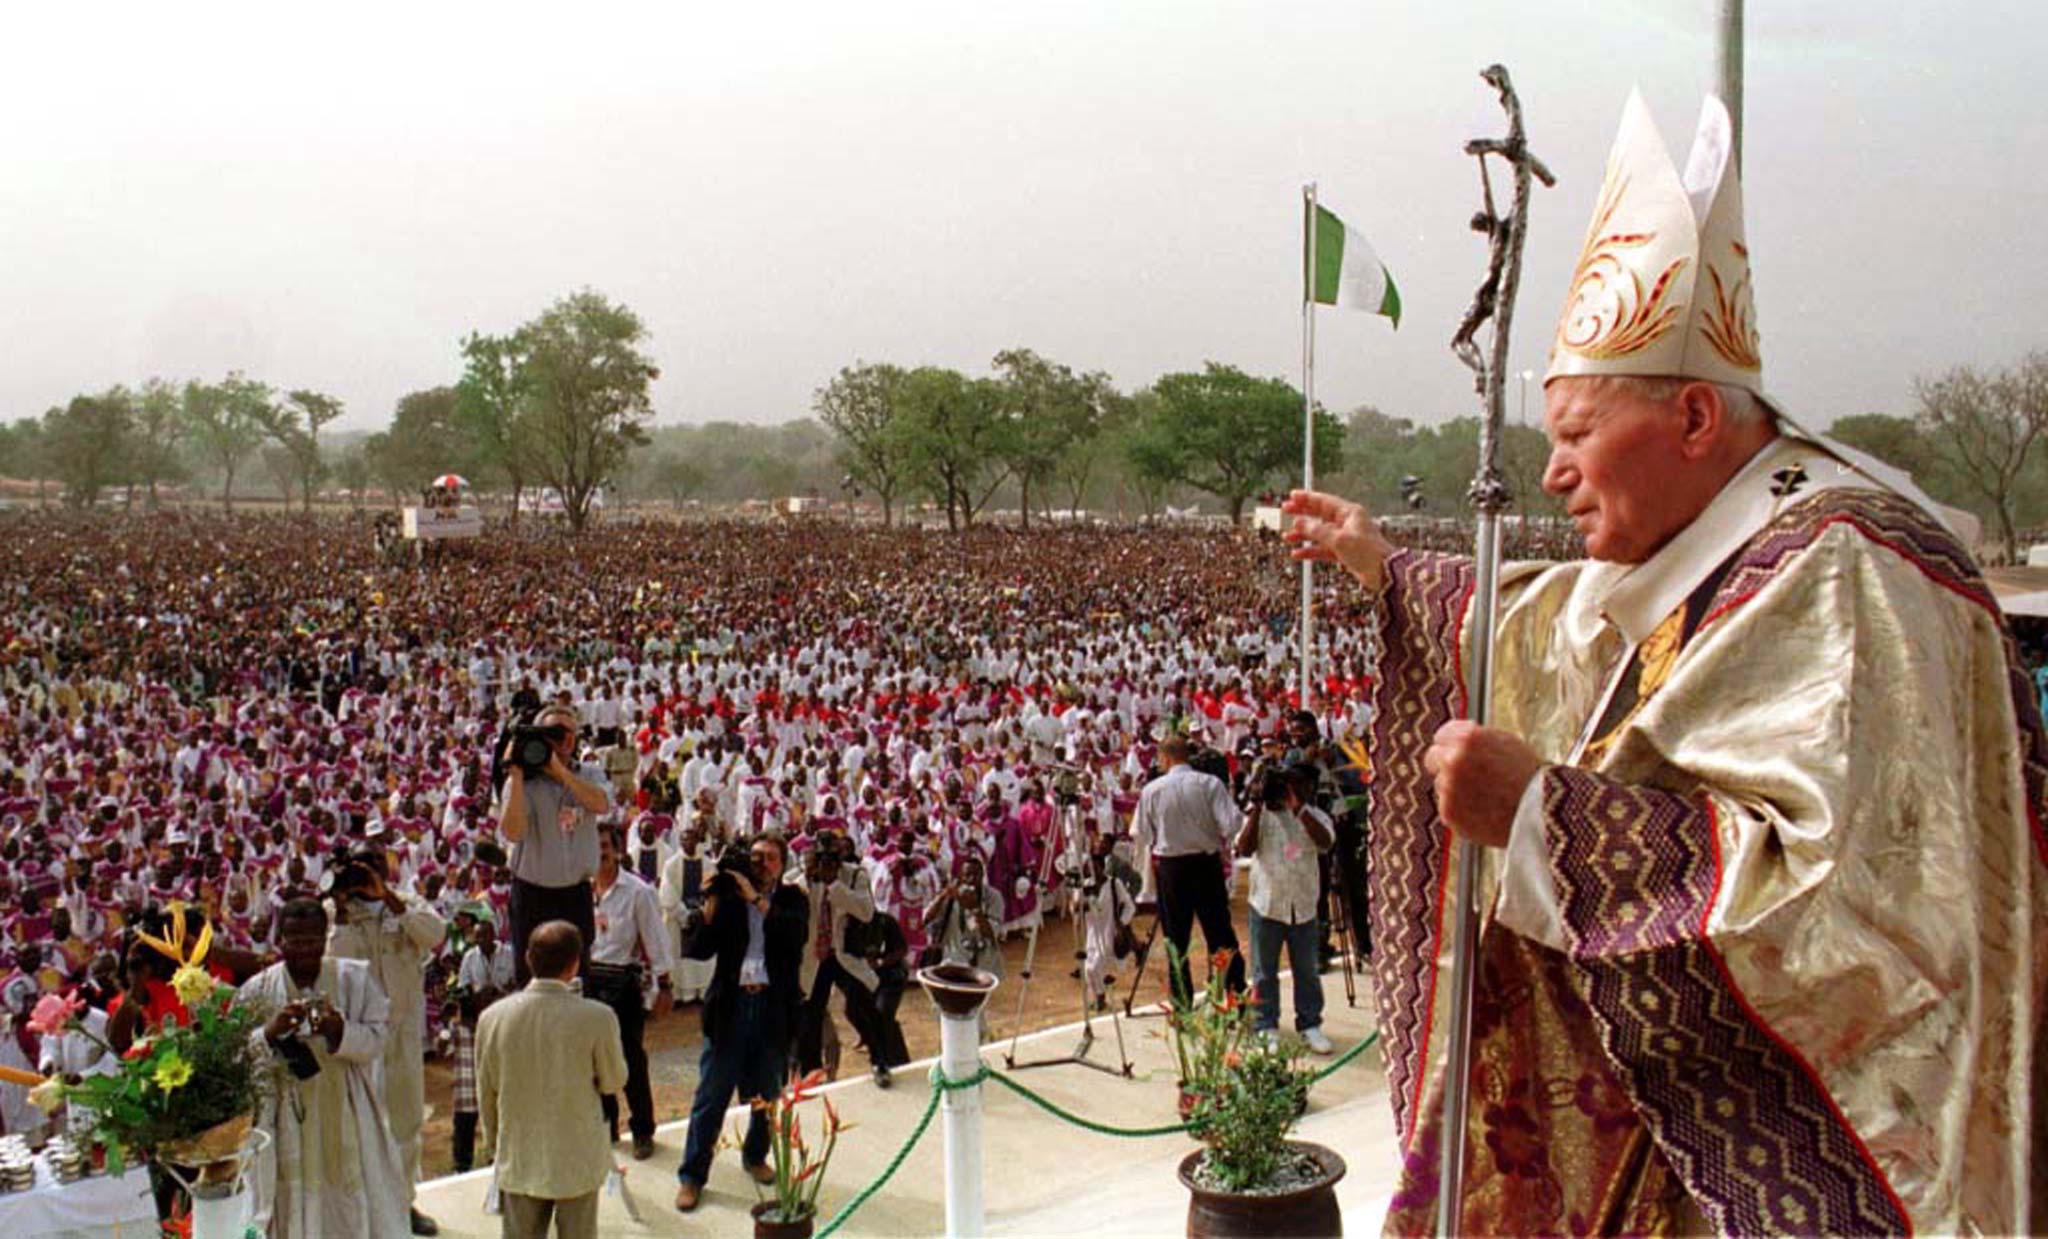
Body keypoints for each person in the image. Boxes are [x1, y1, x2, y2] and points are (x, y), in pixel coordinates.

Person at [1281, 93, 2045, 1235]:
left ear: (1693, 415)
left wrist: (1542, 818)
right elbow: (1569, 618)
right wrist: (1385, 566)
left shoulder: (1845, 569)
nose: (1550, 476)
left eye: (1577, 436)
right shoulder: (1734, 540)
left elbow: (1841, 917)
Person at [239, 898, 412, 1239]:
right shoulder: (256, 990)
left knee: (347, 1194)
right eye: (296, 941)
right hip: (284, 1113)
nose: (305, 949)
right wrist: (268, 1034)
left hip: (346, 1108)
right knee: (289, 1199)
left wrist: (339, 1032)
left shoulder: (354, 979)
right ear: (281, 941)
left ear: (325, 937)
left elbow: (378, 1040)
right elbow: (237, 1057)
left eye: (313, 940)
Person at [673, 832, 807, 1213]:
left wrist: (756, 899)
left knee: (766, 1095)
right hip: (731, 1008)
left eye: (770, 858)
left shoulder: (792, 899)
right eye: (756, 857)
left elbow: (794, 938)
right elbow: (698, 949)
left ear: (782, 864)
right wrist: (713, 899)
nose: (761, 864)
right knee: (711, 1097)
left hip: (770, 1008)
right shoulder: (729, 899)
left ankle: (755, 1155)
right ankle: (692, 1176)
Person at [476, 920, 627, 1239]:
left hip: (519, 1154)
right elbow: (614, 1081)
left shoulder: (492, 1018)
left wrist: (495, 1146)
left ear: (528, 959)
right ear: (575, 964)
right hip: (577, 1157)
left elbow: (486, 1093)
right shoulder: (597, 1017)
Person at [326, 847, 447, 1236]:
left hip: (403, 1030)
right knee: (359, 1123)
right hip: (359, 1034)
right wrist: (343, 910)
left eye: (374, 869)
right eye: (361, 873)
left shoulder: (408, 903)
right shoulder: (336, 914)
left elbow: (435, 935)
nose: (368, 878)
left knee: (406, 1118)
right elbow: (335, 965)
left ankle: (403, 1203)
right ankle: (365, 1209)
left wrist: (390, 899)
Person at [496, 705, 610, 983]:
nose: (567, 739)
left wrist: (561, 773)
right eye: (557, 732)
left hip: (576, 894)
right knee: (530, 977)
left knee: (577, 976)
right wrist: (517, 776)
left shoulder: (590, 774)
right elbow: (512, 832)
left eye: (572, 733)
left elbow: (601, 804)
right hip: (532, 895)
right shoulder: (523, 782)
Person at [1131, 734, 1244, 1003]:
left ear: (1165, 758)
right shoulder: (1210, 784)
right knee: (1219, 933)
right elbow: (1231, 824)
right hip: (1206, 865)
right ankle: (1232, 995)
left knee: (1176, 938)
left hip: (1173, 870)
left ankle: (1182, 1003)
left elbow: (1141, 833)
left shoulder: (1152, 790)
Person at [588, 826, 676, 1160]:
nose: (601, 853)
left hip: (623, 981)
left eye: (606, 846)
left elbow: (655, 940)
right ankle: (606, 1127)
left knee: (630, 1058)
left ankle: (642, 1130)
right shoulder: (582, 888)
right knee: (594, 1060)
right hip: (589, 980)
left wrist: (664, 986)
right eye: (594, 847)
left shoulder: (638, 891)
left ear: (619, 849)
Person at [1236, 763, 1334, 1054]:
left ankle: (1310, 1025)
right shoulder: (1261, 816)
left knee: (1306, 970)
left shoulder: (1314, 816)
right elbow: (1243, 848)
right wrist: (1256, 804)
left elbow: (1326, 842)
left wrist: (1299, 809)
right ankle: (1266, 1026)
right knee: (1264, 972)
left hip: (1302, 906)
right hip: (1267, 905)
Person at [795, 832, 886, 1084]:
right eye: (823, 857)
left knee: (864, 1005)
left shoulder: (855, 875)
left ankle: (880, 1061)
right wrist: (810, 877)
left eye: (834, 857)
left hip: (844, 955)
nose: (829, 862)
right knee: (810, 1016)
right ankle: (810, 1073)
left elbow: (866, 912)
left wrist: (834, 884)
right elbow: (795, 902)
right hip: (815, 958)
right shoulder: (801, 879)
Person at [451, 911, 515, 1174]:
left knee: (505, 1091)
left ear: (494, 935)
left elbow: (516, 984)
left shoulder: (509, 953)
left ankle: (503, 1151)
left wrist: (499, 993)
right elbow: (463, 990)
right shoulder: (469, 958)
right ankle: (462, 1162)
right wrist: (479, 996)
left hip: (505, 1024)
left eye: (485, 935)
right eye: (477, 937)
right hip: (477, 1027)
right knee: (468, 1097)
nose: (481, 940)